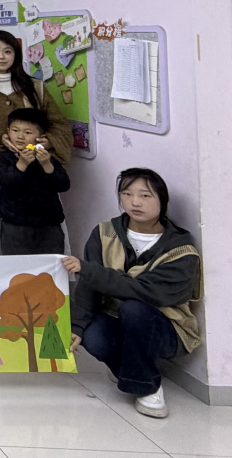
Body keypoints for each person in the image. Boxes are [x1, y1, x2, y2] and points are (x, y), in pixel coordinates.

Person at [66, 169, 201, 419]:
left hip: (167, 329)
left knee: (135, 308)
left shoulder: (181, 250)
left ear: (162, 200)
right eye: (126, 194)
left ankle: (147, 388)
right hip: (116, 318)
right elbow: (88, 286)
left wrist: (90, 270)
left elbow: (144, 291)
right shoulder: (104, 233)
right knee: (91, 333)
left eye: (145, 195)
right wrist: (77, 326)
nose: (135, 202)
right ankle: (130, 369)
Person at [0, 31, 73, 255]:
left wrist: (47, 141)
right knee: (5, 237)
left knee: (44, 242)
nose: (1, 57)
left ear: (16, 54)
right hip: (0, 176)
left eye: (7, 51)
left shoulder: (35, 88)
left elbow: (59, 124)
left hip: (39, 180)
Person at [0, 108, 71, 254]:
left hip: (48, 222)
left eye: (28, 132)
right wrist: (22, 164)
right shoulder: (3, 158)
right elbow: (6, 182)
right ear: (8, 131)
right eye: (15, 130)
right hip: (15, 223)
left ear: (41, 137)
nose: (20, 136)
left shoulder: (48, 157)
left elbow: (63, 185)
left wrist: (47, 165)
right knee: (17, 264)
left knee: (49, 263)